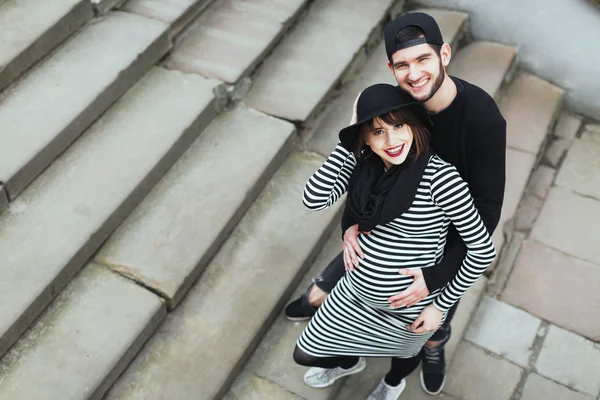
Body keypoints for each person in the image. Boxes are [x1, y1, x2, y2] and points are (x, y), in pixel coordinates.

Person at [285, 11, 506, 395]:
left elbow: (484, 219)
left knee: (429, 325)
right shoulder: (398, 104)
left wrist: (438, 282)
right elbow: (366, 176)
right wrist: (351, 222)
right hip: (388, 226)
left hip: (446, 242)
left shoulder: (482, 121)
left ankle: (430, 348)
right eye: (402, 65)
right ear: (391, 68)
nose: (414, 73)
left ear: (445, 55)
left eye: (423, 59)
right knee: (338, 285)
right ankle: (339, 329)